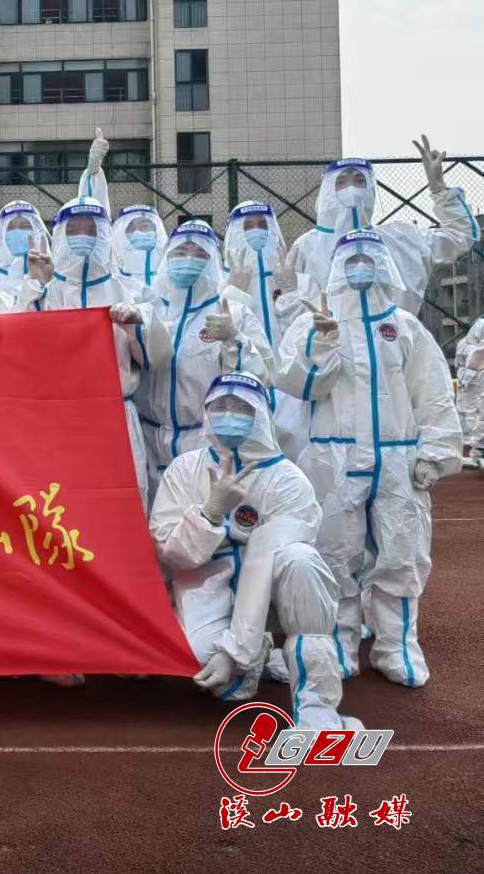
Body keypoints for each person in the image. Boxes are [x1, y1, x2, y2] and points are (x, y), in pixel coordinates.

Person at [276, 231, 462, 686]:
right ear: (336, 268)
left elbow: (433, 392)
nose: (360, 266)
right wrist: (322, 343)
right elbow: (300, 386)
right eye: (351, 259)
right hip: (333, 457)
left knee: (403, 552)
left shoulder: (404, 326)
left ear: (383, 265)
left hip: (397, 458)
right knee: (334, 552)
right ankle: (337, 643)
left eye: (368, 258)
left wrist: (435, 451)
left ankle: (396, 645)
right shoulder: (310, 323)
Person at [149, 372, 356, 729]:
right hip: (207, 581)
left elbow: (262, 562)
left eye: (241, 407)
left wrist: (234, 650)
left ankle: (316, 705)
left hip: (272, 588)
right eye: (220, 406)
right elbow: (171, 554)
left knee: (302, 563)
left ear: (261, 414)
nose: (229, 414)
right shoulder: (185, 469)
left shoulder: (287, 480)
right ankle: (257, 650)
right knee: (202, 661)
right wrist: (210, 512)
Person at [14, 196, 168, 504]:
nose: (82, 236)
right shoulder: (46, 293)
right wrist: (33, 288)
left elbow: (156, 360)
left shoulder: (132, 291)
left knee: (122, 498)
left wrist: (135, 326)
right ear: (60, 235)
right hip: (57, 418)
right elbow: (18, 349)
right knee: (61, 501)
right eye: (74, 230)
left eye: (90, 229)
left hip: (115, 415)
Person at [135, 221, 271, 495]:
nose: (188, 260)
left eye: (199, 254)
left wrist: (234, 340)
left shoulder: (233, 313)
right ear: (167, 257)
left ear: (213, 262)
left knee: (200, 508)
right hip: (148, 438)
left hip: (203, 440)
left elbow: (260, 377)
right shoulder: (147, 307)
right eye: (180, 252)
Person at [286, 140, 476, 317]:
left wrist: (440, 189)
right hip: (329, 341)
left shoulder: (401, 238)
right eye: (341, 182)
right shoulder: (307, 246)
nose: (351, 189)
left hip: (396, 338)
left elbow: (460, 236)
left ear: (371, 189)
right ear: (328, 191)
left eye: (359, 181)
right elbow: (290, 304)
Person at [221, 201, 313, 459]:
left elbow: (305, 335)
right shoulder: (219, 283)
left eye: (263, 225)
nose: (257, 232)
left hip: (290, 392)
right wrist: (234, 293)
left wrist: (291, 293)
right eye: (247, 226)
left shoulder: (297, 280)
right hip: (243, 389)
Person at [0, 200, 50, 303]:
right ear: (0, 234)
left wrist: (40, 281)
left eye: (25, 226)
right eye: (9, 227)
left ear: (37, 231)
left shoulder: (53, 273)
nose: (16, 231)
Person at [111, 204, 169, 292]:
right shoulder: (115, 259)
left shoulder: (169, 258)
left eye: (144, 226)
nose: (138, 232)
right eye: (131, 229)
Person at [455, 316, 484, 461]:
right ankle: (473, 450)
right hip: (471, 378)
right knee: (469, 413)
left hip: (472, 377)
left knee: (472, 413)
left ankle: (475, 449)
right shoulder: (468, 342)